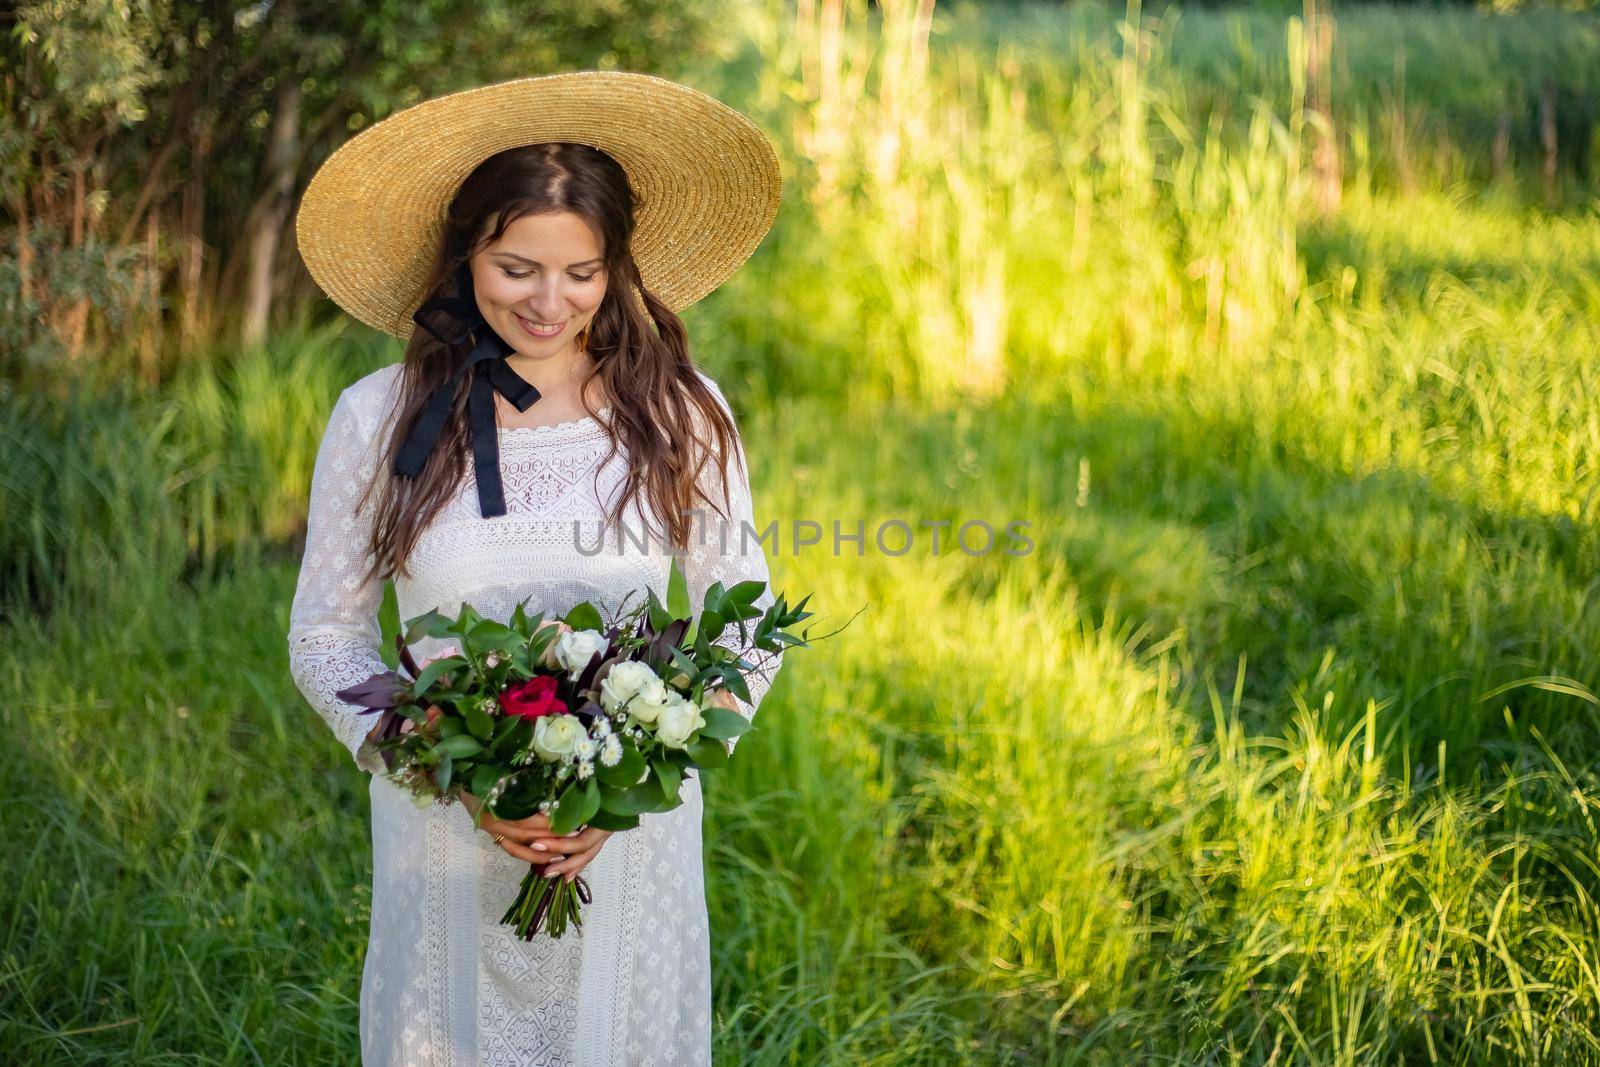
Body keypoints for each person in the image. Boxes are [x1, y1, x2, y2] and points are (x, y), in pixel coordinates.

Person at [285, 71, 784, 1066]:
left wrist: (638, 773)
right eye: (516, 268)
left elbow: (744, 616)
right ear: (463, 255)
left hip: (630, 833)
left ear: (618, 269)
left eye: (583, 272)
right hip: (443, 824)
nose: (550, 303)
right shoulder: (378, 417)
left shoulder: (680, 409)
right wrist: (451, 771)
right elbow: (326, 633)